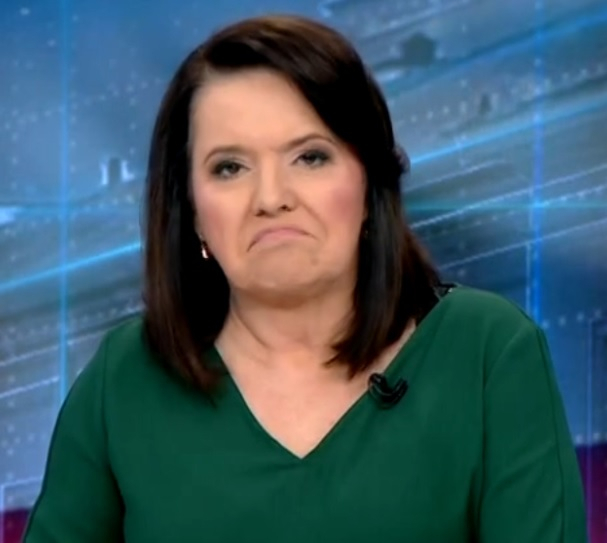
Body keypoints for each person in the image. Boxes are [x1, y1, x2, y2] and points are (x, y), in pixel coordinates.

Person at [23, 14, 587, 543]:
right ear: (191, 209)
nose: (271, 198)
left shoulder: (488, 352)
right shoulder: (125, 381)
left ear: (369, 182)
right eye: (229, 167)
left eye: (310, 157)